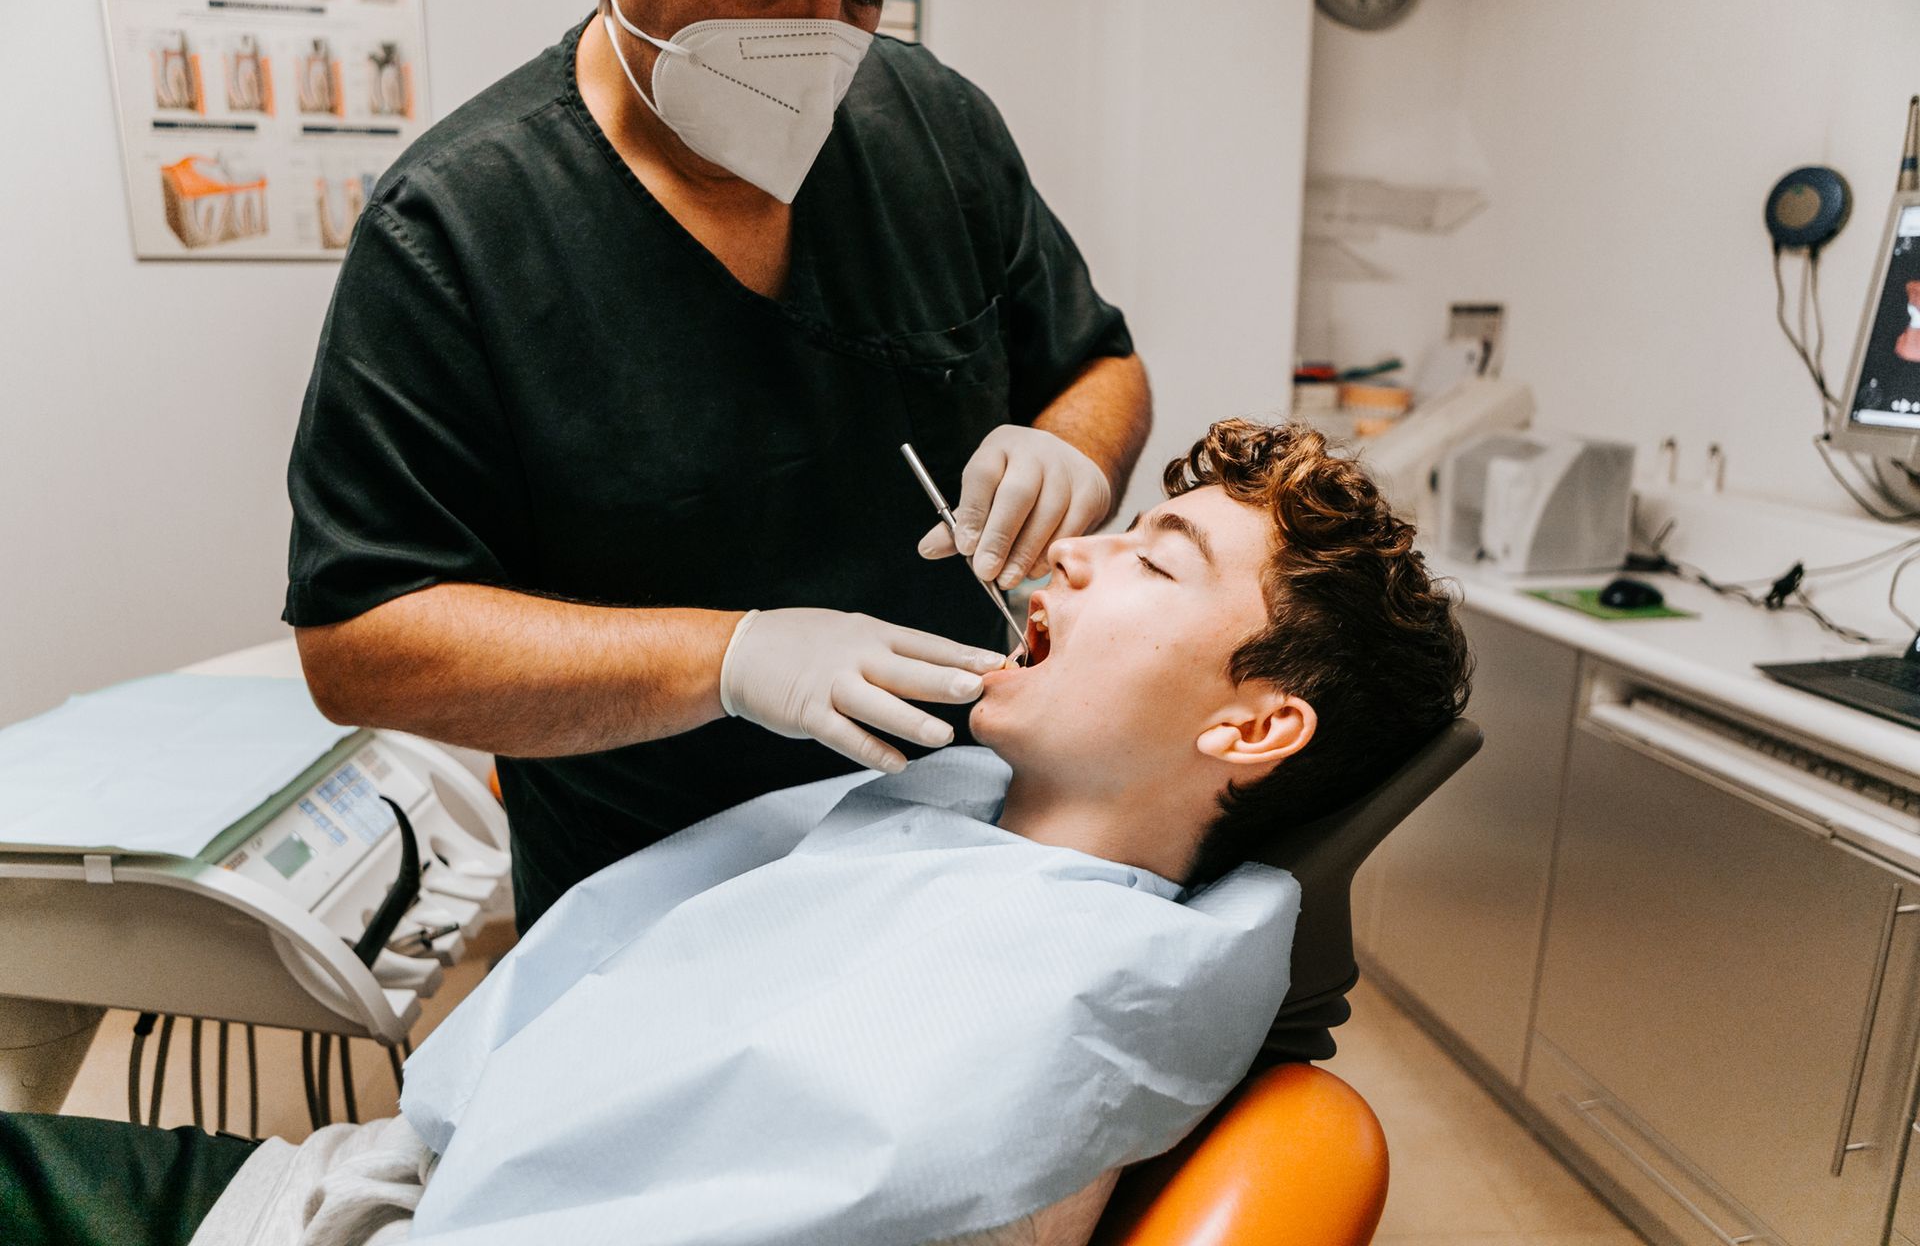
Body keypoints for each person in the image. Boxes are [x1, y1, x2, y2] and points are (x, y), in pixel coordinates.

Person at [3, 422, 1470, 1246]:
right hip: (377, 1190)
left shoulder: (1051, 1012)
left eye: (1154, 556)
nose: (1069, 550)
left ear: (1256, 728)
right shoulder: (961, 820)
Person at [285, 0, 1153, 934]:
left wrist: (1068, 450)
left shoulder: (934, 127)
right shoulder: (456, 230)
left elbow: (1099, 365)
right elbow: (362, 641)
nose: (819, 35)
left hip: (947, 859)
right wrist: (729, 659)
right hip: (651, 915)